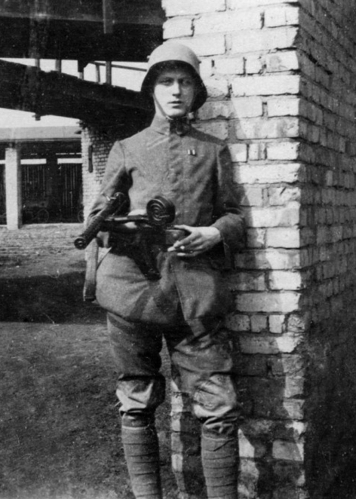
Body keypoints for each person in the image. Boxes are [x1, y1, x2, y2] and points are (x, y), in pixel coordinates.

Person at [88, 41, 245, 499]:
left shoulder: (214, 151)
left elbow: (234, 215)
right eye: (166, 82)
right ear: (151, 89)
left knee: (219, 406)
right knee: (136, 398)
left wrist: (214, 234)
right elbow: (97, 221)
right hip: (131, 291)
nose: (176, 91)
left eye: (185, 82)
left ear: (196, 91)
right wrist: (121, 223)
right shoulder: (127, 148)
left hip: (194, 294)